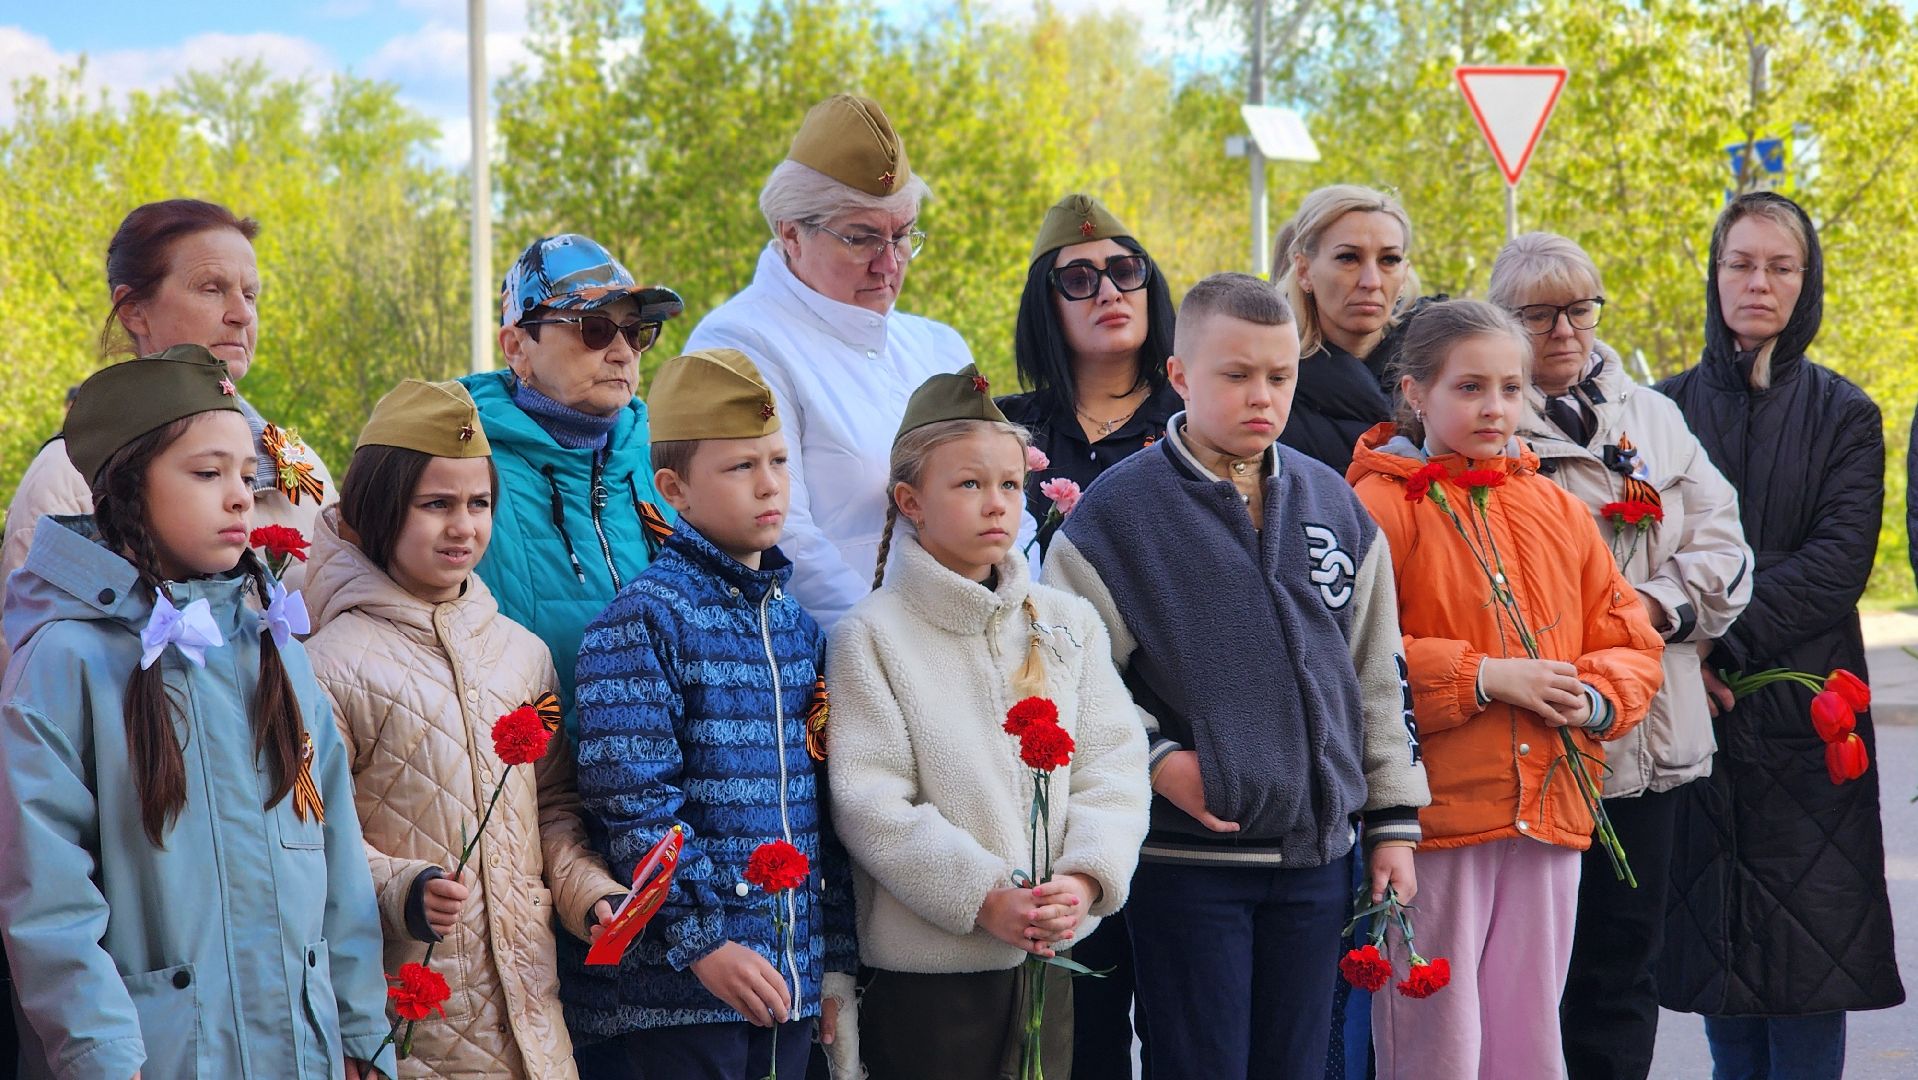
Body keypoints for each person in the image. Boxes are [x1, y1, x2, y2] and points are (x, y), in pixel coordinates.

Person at [1044, 274, 1429, 1080]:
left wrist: (1393, 820)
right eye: (1236, 375)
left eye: (1280, 376)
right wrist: (1158, 764)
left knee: (1297, 1064)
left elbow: (1377, 672)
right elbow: (1070, 680)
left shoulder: (1336, 504)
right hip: (1188, 865)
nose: (1263, 396)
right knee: (1200, 1063)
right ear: (1181, 376)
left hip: (1318, 861)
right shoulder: (1116, 520)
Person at [0, 346, 391, 1079]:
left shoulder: (274, 648)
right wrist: (103, 1056)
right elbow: (47, 902)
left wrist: (362, 1032)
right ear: (126, 486)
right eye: (208, 474)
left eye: (249, 476)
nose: (242, 497)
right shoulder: (65, 660)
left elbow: (337, 860)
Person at [1347, 299, 1666, 1080]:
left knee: (1530, 1037)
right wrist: (1485, 677)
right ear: (1416, 392)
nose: (1496, 407)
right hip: (1438, 824)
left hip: (1548, 811)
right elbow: (1356, 662)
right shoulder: (1378, 508)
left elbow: (1629, 640)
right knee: (1436, 1041)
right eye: (1470, 388)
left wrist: (1593, 700)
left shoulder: (1556, 506)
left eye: (1512, 388)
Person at [827, 366, 1150, 1080]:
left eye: (1009, 484)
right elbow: (871, 802)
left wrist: (1086, 880)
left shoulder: (1069, 623)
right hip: (932, 984)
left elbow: (1114, 766)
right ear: (910, 500)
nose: (996, 504)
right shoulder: (872, 636)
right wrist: (983, 898)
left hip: (1051, 959)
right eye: (969, 485)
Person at [303, 379, 628, 1078]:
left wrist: (590, 894)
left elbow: (552, 808)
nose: (463, 527)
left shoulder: (523, 653)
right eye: (437, 505)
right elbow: (302, 842)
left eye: (479, 504)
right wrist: (403, 887)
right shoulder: (327, 663)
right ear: (382, 507)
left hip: (536, 1029)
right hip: (409, 1030)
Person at [1487, 232, 1754, 1080]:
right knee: (1535, 975)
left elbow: (1724, 547)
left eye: (1580, 308)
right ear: (1504, 320)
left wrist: (1650, 608)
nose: (1564, 330)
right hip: (1542, 740)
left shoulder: (1653, 417)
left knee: (1624, 966)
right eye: (1538, 314)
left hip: (1653, 741)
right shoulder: (1488, 417)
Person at [1657, 192, 1905, 1077]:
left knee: (1809, 967)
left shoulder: (1847, 414)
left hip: (1808, 721)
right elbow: (1639, 554)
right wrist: (1683, 651)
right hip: (1697, 718)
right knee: (1718, 957)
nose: (1759, 282)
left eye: (1780, 266)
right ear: (1716, 274)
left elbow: (1838, 562)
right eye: (1742, 263)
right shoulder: (1662, 412)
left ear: (1807, 282)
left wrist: (1715, 638)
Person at [570, 350, 859, 1079]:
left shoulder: (798, 627)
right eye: (740, 468)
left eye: (779, 461)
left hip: (785, 985)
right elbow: (632, 807)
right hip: (678, 997)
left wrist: (830, 963)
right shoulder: (642, 620)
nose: (770, 486)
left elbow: (826, 811)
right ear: (674, 490)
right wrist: (703, 941)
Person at [685, 93, 1030, 630]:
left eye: (903, 235)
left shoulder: (939, 345)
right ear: (790, 232)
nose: (889, 263)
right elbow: (780, 531)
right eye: (862, 237)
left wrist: (1022, 617)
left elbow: (1007, 504)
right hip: (836, 664)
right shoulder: (738, 344)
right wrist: (892, 644)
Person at [1, 198, 335, 676]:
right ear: (134, 310)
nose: (242, 313)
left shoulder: (300, 468)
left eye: (251, 294)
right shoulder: (70, 475)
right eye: (212, 289)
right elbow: (36, 686)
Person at [461, 232, 684, 743]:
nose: (624, 352)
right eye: (595, 329)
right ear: (517, 347)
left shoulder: (665, 463)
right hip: (521, 788)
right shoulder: (461, 461)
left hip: (661, 789)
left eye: (637, 331)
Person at [998, 193, 1179, 569]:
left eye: (1126, 271)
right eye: (1079, 281)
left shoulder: (1195, 420)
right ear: (1046, 308)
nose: (1110, 294)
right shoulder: (1004, 427)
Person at [1273, 184, 1421, 476]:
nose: (1371, 281)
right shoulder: (1266, 380)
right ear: (1303, 271)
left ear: (1404, 274)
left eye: (1389, 260)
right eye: (1348, 258)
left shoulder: (1441, 365)